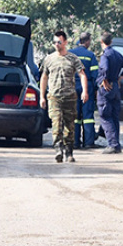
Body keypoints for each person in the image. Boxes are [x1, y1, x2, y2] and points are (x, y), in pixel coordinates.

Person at [39, 31, 89, 163]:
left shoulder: (73, 59)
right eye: (54, 42)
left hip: (70, 98)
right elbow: (44, 77)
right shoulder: (49, 59)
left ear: (65, 42)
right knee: (56, 124)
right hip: (54, 97)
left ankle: (69, 152)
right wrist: (42, 97)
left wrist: (84, 91)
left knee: (69, 126)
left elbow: (82, 75)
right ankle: (58, 150)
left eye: (59, 42)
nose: (56, 44)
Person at [97, 31, 123, 155]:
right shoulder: (117, 54)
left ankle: (113, 144)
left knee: (105, 116)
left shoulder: (105, 55)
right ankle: (116, 144)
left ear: (101, 42)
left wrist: (104, 79)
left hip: (106, 89)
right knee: (114, 117)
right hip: (115, 88)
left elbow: (105, 68)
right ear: (111, 41)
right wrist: (119, 78)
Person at [69, 32, 99, 149]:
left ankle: (75, 142)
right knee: (88, 116)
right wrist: (96, 89)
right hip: (87, 87)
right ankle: (88, 142)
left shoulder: (70, 54)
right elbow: (95, 74)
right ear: (87, 41)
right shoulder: (90, 55)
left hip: (72, 86)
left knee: (74, 116)